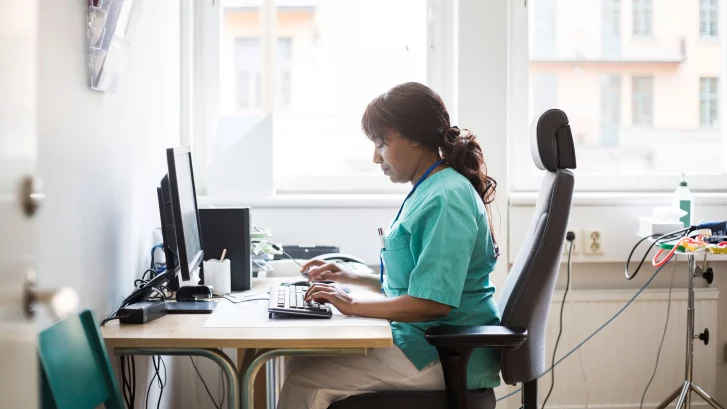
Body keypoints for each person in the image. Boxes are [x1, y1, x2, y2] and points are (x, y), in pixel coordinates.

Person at [276, 82, 501, 409]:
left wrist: (351, 305)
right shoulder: (430, 188)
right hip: (424, 342)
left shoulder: (447, 198)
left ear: (415, 137)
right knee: (297, 361)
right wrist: (352, 279)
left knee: (304, 382)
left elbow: (432, 303)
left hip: (443, 355)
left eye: (381, 143)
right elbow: (412, 284)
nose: (374, 157)